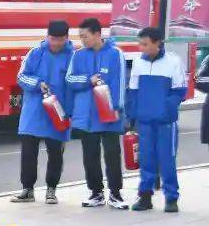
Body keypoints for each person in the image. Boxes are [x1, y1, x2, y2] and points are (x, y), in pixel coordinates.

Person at [66, 18, 128, 209]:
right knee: (90, 155)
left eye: (85, 36)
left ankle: (115, 194)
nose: (83, 40)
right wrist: (88, 79)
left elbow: (120, 82)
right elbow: (69, 79)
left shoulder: (115, 54)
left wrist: (116, 108)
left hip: (109, 114)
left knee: (112, 154)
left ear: (97, 34)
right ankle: (96, 192)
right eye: (81, 37)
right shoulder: (78, 55)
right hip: (87, 116)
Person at [11, 20, 74, 205]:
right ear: (47, 36)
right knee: (29, 151)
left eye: (60, 39)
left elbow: (74, 85)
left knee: (56, 152)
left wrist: (70, 112)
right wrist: (38, 84)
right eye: (53, 39)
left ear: (67, 38)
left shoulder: (73, 56)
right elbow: (21, 76)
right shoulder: (36, 53)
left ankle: (51, 189)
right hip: (34, 110)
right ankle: (27, 189)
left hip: (58, 110)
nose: (56, 43)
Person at [126, 27, 187, 213]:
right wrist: (132, 116)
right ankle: (145, 196)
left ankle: (171, 198)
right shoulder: (138, 62)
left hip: (165, 122)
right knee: (146, 159)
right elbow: (133, 91)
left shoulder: (173, 62)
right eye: (140, 43)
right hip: (145, 121)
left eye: (145, 44)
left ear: (157, 42)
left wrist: (166, 110)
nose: (141, 47)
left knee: (167, 159)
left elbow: (179, 91)